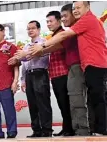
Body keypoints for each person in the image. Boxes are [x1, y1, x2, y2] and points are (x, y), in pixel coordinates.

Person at [28, 1, 107, 135]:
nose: (75, 10)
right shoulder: (84, 22)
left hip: (96, 64)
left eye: (78, 8)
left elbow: (63, 37)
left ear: (87, 7)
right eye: (74, 8)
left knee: (96, 98)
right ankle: (94, 129)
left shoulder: (87, 20)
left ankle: (100, 129)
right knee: (93, 98)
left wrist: (42, 46)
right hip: (89, 64)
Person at [45, 11, 74, 136]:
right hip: (55, 74)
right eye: (47, 22)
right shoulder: (53, 36)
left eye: (51, 21)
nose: (49, 24)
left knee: (66, 102)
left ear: (59, 21)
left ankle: (70, 128)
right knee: (61, 103)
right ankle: (66, 127)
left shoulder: (62, 34)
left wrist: (39, 50)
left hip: (63, 73)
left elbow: (54, 47)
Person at [22, 21, 53, 137]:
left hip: (40, 73)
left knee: (43, 103)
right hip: (29, 75)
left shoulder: (44, 43)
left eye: (33, 28)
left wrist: (27, 54)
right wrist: (22, 80)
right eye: (28, 29)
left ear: (39, 30)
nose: (30, 30)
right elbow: (24, 64)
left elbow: (44, 56)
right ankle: (36, 130)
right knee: (32, 104)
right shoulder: (26, 46)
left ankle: (47, 130)